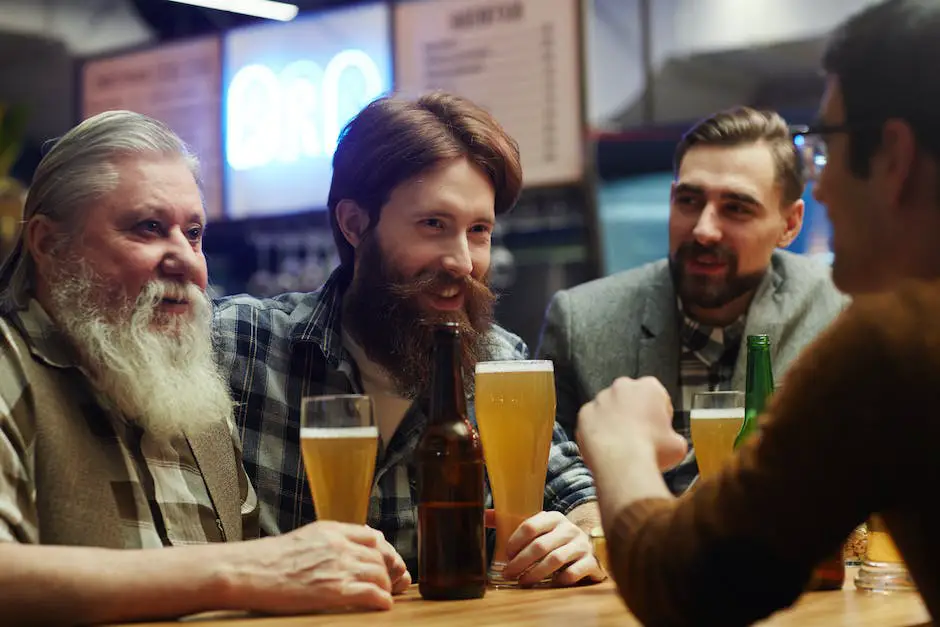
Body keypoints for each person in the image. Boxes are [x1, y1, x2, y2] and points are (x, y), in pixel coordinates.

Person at [576, 0, 940, 624]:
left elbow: (693, 582)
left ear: (893, 155)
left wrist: (623, 445)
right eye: (688, 200)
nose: (820, 185)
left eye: (824, 147)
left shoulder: (896, 341)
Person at [0, 111, 409, 626]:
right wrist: (238, 571)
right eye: (148, 228)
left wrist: (335, 571)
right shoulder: (10, 365)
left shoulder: (192, 396)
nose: (185, 260)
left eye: (193, 233)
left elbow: (255, 587)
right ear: (47, 244)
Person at [214, 92, 605, 586]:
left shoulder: (499, 363)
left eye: (479, 230)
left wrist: (578, 537)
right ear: (355, 224)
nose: (463, 261)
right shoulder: (243, 346)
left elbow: (575, 497)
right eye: (433, 224)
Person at [538, 106, 846, 494]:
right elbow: (551, 480)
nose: (703, 230)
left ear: (790, 224)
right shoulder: (581, 321)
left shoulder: (838, 310)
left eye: (736, 208)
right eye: (689, 201)